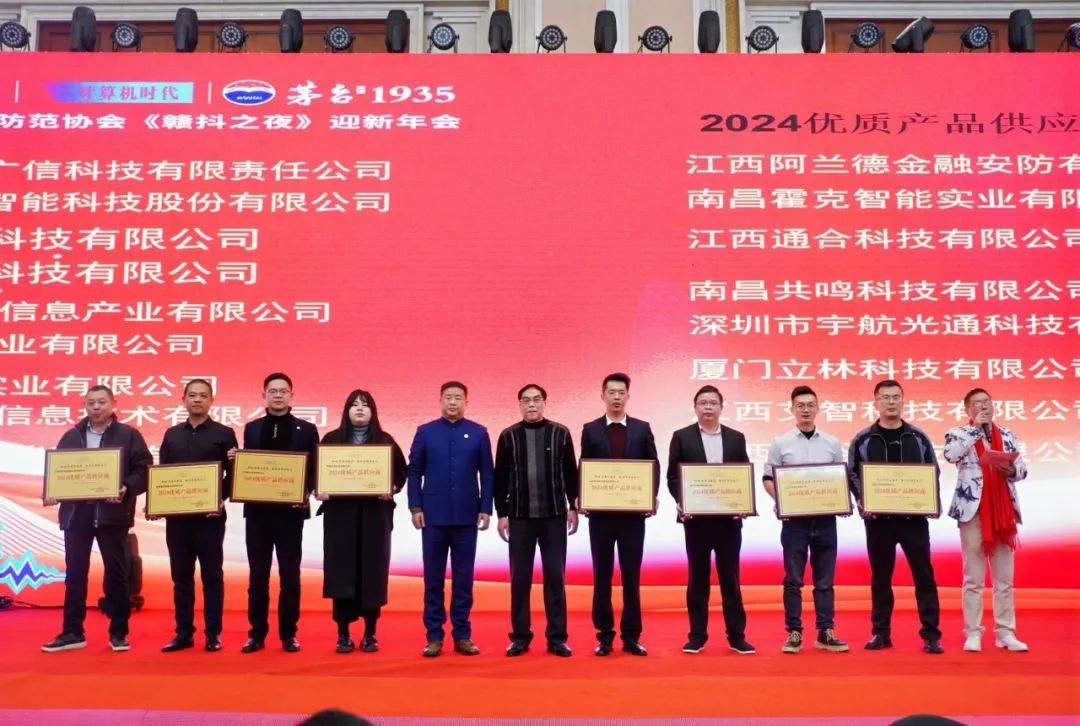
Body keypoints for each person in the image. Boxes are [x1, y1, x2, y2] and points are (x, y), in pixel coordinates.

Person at [41, 385, 152, 653]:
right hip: (77, 515)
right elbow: (59, 472)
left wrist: (126, 487)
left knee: (117, 573)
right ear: (85, 405)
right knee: (75, 574)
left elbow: (145, 470)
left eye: (102, 402)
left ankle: (118, 632)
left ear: (113, 404)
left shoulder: (128, 435)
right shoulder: (72, 436)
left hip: (113, 515)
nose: (96, 407)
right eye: (91, 402)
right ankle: (72, 632)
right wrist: (52, 492)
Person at [848, 380, 943, 655]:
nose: (891, 402)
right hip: (879, 521)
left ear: (903, 400)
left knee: (924, 576)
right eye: (885, 397)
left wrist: (931, 503)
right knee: (880, 578)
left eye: (896, 397)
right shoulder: (863, 439)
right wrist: (863, 499)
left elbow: (932, 471)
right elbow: (852, 473)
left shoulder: (918, 436)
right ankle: (881, 633)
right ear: (876, 402)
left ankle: (931, 635)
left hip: (913, 520)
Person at [407, 381, 494, 657]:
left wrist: (486, 508)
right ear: (440, 400)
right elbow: (414, 472)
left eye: (458, 398)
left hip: (467, 516)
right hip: (433, 516)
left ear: (466, 401)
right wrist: (415, 507)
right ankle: (434, 636)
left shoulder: (479, 433)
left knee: (463, 579)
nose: (453, 402)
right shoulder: (425, 432)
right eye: (448, 397)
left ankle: (462, 635)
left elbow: (487, 474)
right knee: (433, 579)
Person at [666, 385, 755, 655]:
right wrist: (684, 501)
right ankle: (697, 636)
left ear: (721, 407)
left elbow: (742, 474)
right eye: (703, 402)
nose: (708, 407)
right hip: (697, 521)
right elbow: (673, 477)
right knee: (697, 580)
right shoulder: (681, 437)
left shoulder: (736, 438)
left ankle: (737, 636)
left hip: (729, 522)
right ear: (695, 407)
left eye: (713, 403)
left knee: (731, 579)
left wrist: (743, 504)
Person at [316, 389, 407, 654]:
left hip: (374, 518)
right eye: (354, 405)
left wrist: (392, 487)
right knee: (341, 572)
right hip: (340, 518)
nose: (359, 409)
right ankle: (343, 633)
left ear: (372, 412)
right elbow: (315, 473)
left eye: (365, 405)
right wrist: (318, 488)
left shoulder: (385, 441)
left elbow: (401, 472)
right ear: (346, 410)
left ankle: (370, 632)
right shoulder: (332, 440)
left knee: (372, 573)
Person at [763, 385, 849, 654]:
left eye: (810, 405)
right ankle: (794, 632)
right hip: (795, 522)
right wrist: (782, 500)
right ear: (792, 409)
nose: (806, 410)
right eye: (800, 405)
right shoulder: (781, 442)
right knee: (793, 579)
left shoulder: (831, 442)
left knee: (825, 579)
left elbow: (840, 479)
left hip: (825, 520)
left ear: (818, 408)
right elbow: (768, 479)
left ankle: (825, 631)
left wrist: (841, 500)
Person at [494, 383, 579, 658]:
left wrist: (573, 506)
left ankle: (557, 638)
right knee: (520, 580)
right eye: (526, 400)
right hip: (519, 517)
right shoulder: (508, 436)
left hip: (554, 516)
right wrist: (502, 514)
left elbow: (571, 473)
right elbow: (499, 479)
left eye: (536, 399)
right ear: (519, 404)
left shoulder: (561, 433)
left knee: (555, 578)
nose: (531, 404)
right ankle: (520, 637)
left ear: (544, 402)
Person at [579, 372, 659, 657]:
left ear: (628, 396)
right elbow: (584, 465)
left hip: (632, 516)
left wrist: (650, 497)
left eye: (621, 392)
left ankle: (631, 635)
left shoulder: (641, 428)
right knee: (601, 577)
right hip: (600, 516)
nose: (616, 397)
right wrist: (581, 496)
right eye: (611, 392)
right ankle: (604, 635)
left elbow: (653, 464)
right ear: (602, 395)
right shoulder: (590, 429)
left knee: (631, 577)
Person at [238, 372, 319, 654]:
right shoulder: (252, 428)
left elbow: (314, 468)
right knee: (257, 576)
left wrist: (307, 491)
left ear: (291, 395)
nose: (278, 395)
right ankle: (256, 633)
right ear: (264, 396)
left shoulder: (306, 429)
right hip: (258, 513)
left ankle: (288, 634)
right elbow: (249, 468)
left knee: (290, 575)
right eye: (272, 391)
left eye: (283, 391)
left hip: (290, 513)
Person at [944, 387, 1029, 653]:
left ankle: (1005, 633)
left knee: (1004, 579)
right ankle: (973, 633)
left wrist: (1011, 469)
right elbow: (951, 455)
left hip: (1003, 513)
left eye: (988, 403)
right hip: (973, 512)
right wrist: (975, 431)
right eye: (978, 403)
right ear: (968, 409)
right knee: (973, 578)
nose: (984, 407)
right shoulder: (958, 433)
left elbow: (1022, 469)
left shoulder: (1006, 434)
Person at [157, 379, 238, 653]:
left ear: (211, 400)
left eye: (203, 395)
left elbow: (233, 475)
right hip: (178, 521)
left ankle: (213, 634)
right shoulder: (171, 434)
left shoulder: (224, 434)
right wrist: (160, 503)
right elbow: (162, 475)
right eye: (192, 395)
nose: (197, 400)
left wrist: (217, 498)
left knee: (212, 576)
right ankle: (183, 633)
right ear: (183, 400)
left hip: (210, 519)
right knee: (181, 577)